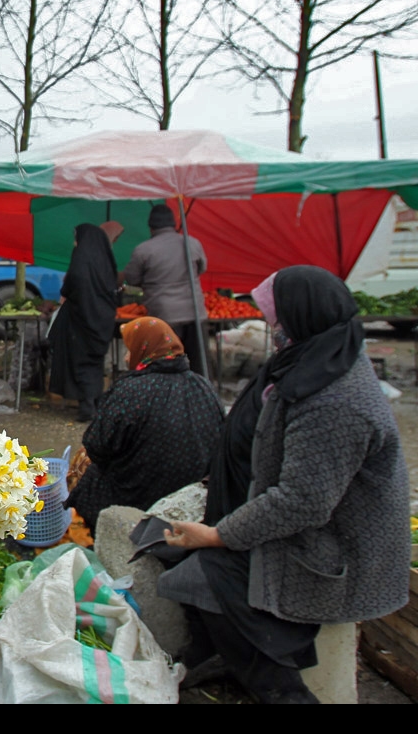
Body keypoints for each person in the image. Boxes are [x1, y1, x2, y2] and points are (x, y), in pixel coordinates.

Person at [159, 265, 411, 704]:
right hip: (311, 524)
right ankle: (224, 656)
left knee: (207, 570)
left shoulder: (336, 401)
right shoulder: (319, 358)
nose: (274, 329)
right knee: (169, 549)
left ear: (303, 318)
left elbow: (302, 503)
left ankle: (280, 688)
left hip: (335, 550)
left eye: (278, 320)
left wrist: (220, 534)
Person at [65, 316, 222, 535]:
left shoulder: (131, 390)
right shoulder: (203, 386)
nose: (128, 356)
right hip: (190, 496)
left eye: (130, 349)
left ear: (145, 350)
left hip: (134, 496)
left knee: (84, 462)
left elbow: (97, 445)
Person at [121, 203, 208, 375]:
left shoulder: (143, 250)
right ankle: (202, 396)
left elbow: (131, 278)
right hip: (195, 311)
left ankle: (168, 399)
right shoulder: (193, 243)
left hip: (164, 315)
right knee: (199, 366)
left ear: (151, 228)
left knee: (166, 367)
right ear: (173, 224)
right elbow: (202, 268)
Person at [47, 223, 120, 422]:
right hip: (103, 319)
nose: (74, 242)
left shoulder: (80, 259)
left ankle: (87, 406)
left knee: (81, 362)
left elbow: (72, 284)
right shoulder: (105, 260)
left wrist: (66, 293)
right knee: (95, 362)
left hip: (82, 318)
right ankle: (96, 402)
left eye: (76, 238)